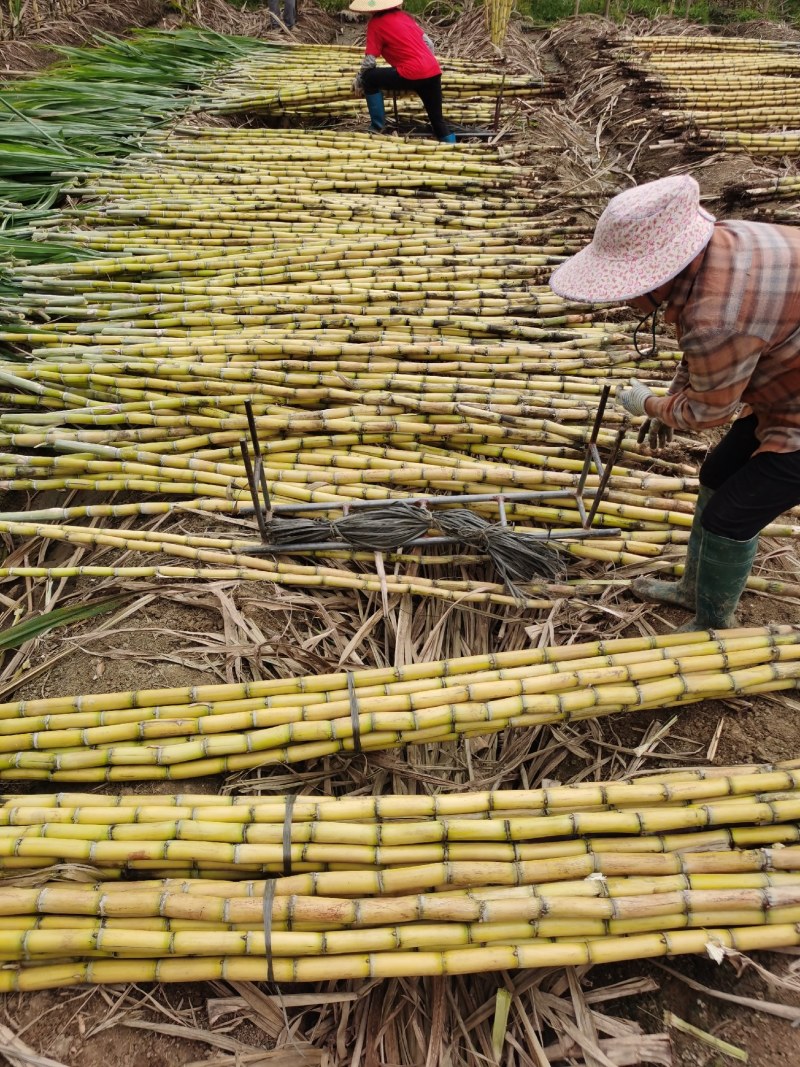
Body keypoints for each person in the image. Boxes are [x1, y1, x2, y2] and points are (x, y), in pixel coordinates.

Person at [549, 174, 800, 632]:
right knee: (716, 475)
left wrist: (648, 405)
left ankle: (712, 624)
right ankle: (692, 590)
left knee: (730, 517)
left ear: (660, 276)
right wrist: (670, 396)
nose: (624, 300)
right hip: (787, 383)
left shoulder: (717, 314)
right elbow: (704, 354)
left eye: (626, 288)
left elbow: (708, 412)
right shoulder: (721, 246)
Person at [348, 0, 456, 143]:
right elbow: (429, 44)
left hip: (411, 73)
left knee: (369, 77)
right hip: (433, 71)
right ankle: (453, 148)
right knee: (438, 121)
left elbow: (369, 62)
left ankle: (377, 127)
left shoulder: (375, 23)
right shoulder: (404, 16)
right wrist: (424, 65)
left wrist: (359, 78)